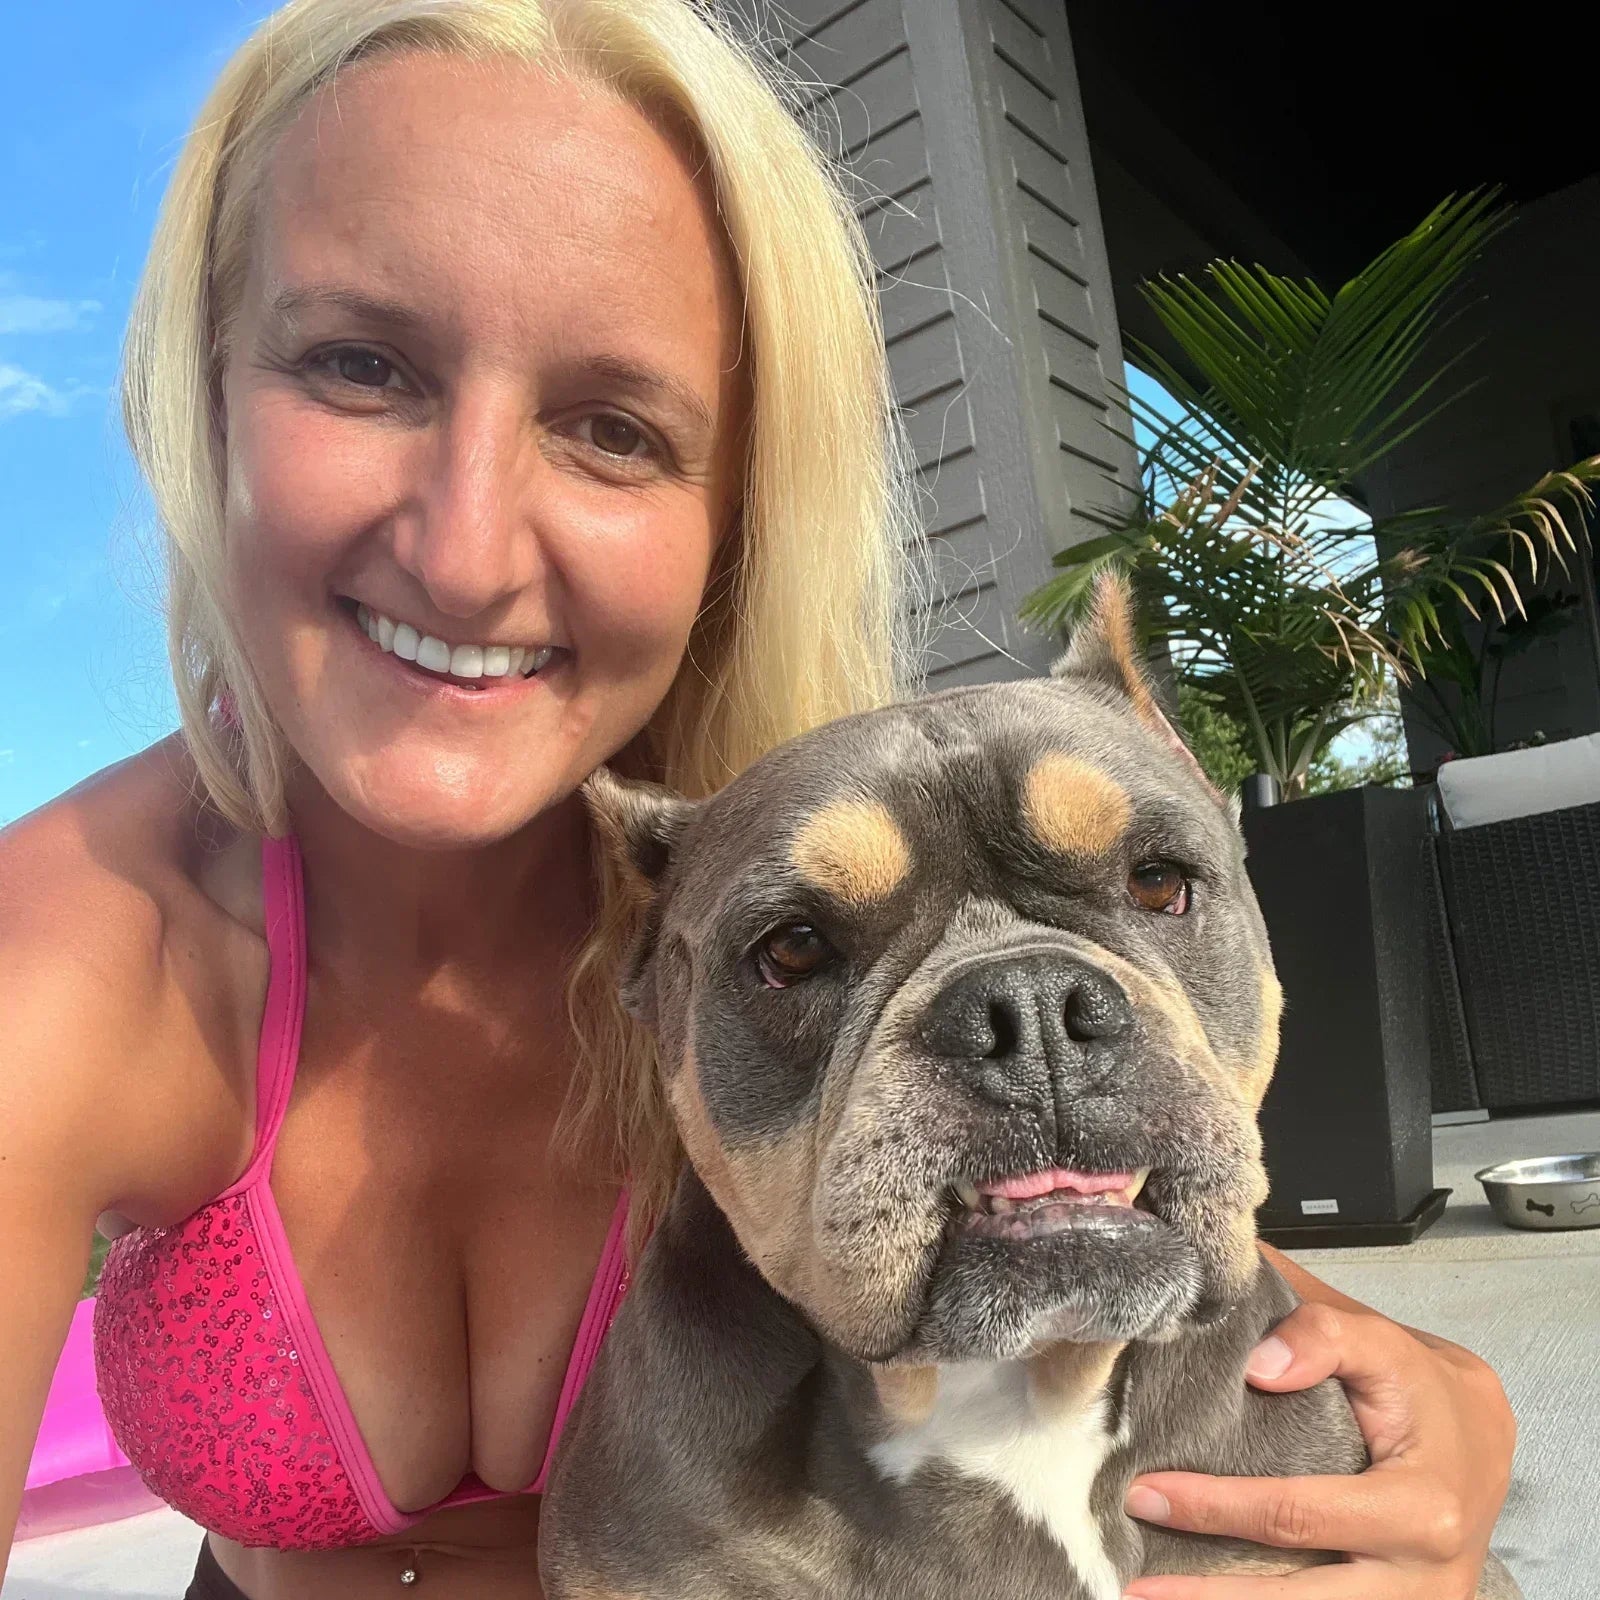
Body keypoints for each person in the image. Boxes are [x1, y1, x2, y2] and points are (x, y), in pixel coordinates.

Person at [0, 2, 1515, 1598]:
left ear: (734, 502)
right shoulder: (60, 962)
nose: (464, 544)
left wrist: (1440, 1404)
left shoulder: (784, 871)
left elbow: (1093, 1170)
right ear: (207, 385)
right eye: (360, 366)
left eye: (612, 426)